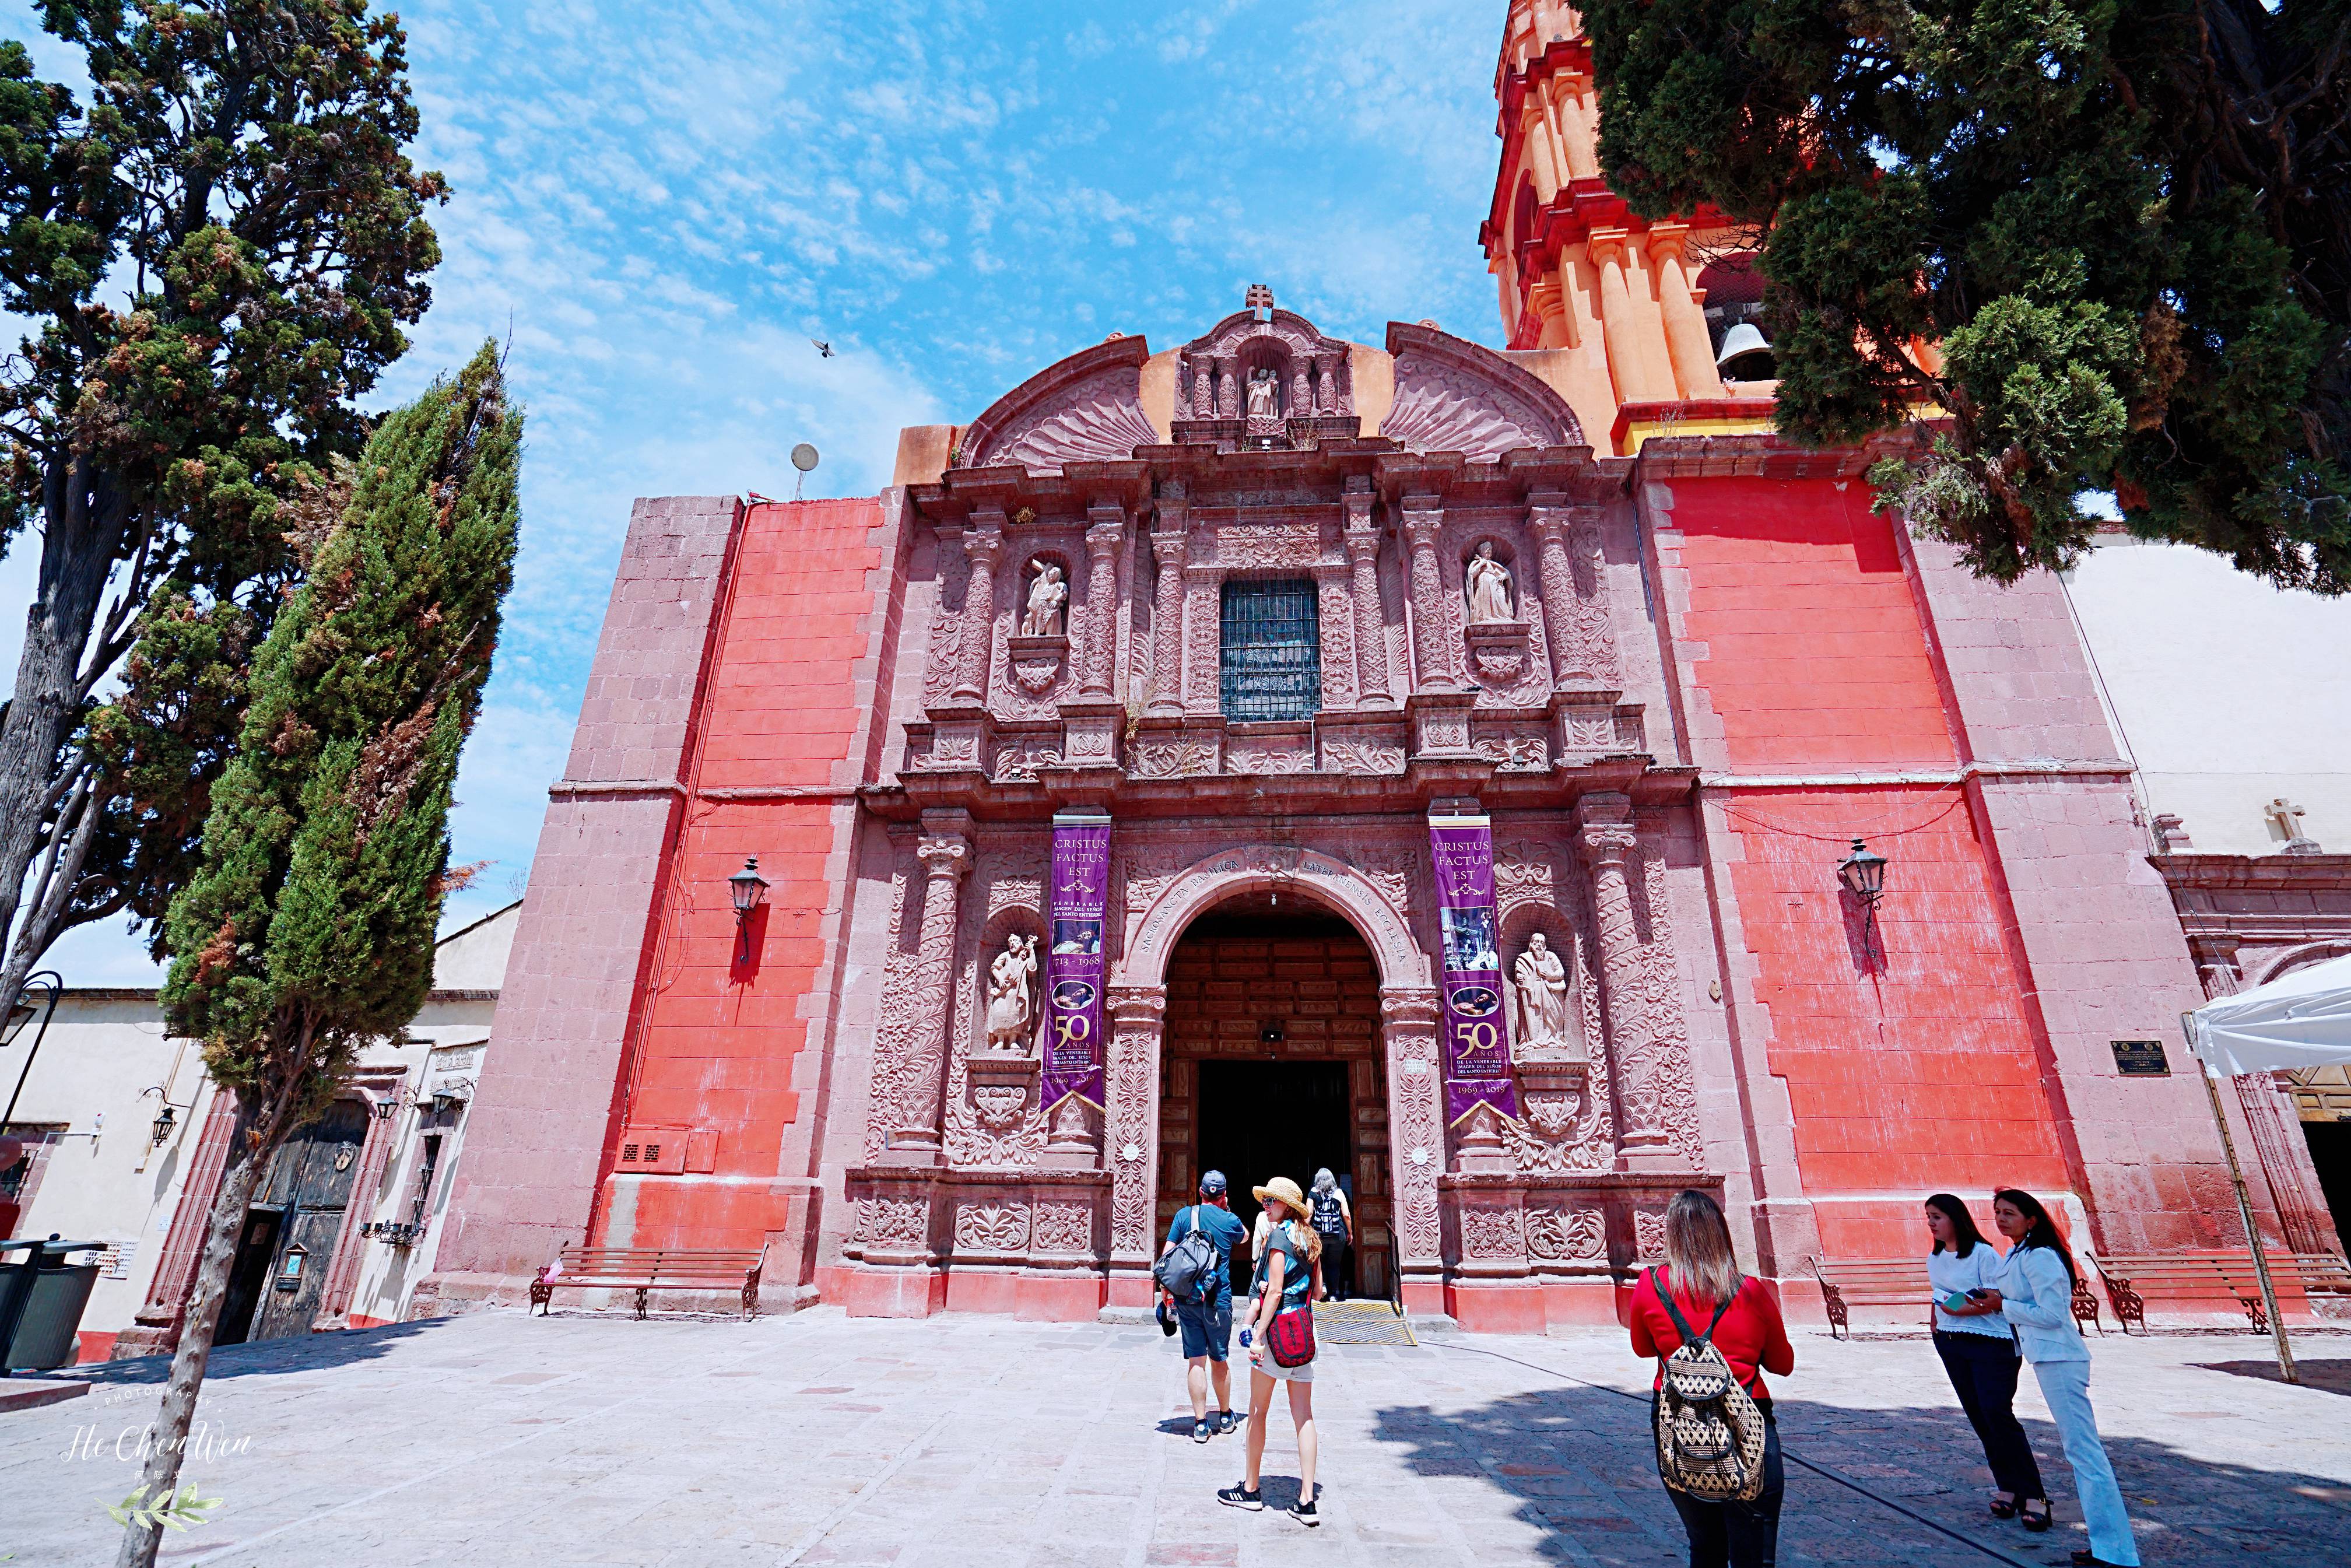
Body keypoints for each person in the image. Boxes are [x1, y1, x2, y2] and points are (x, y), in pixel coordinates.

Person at [1627, 1190, 1794, 1568]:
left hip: (1678, 1426)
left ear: (1671, 1233)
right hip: (1748, 1423)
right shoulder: (1750, 1290)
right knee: (1755, 1552)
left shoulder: (1651, 1285)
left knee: (1705, 1545)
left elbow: (1641, 1347)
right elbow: (1783, 1364)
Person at [1974, 1190, 2140, 1568]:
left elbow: (2051, 1313)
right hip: (2045, 1357)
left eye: (2010, 1213)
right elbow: (2019, 1302)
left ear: (2031, 1219)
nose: (2001, 1218)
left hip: (2061, 1357)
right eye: (1997, 1212)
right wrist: (1994, 1300)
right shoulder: (2019, 1253)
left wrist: (2002, 1303)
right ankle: (2106, 1547)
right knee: (2080, 1451)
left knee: (2085, 1453)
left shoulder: (2042, 1256)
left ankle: (2117, 1553)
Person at [1922, 1193, 2045, 1525]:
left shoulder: (1983, 1254)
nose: (1931, 1223)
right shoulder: (1935, 1257)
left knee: (1998, 1414)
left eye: (1937, 1217)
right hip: (1952, 1344)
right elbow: (1937, 1297)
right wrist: (1938, 1325)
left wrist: (1963, 1308)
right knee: (1979, 1417)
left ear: (1955, 1218)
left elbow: (1998, 1298)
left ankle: (2035, 1495)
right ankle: (2008, 1488)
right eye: (1929, 1217)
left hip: (1992, 1344)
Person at [1219, 1176, 1323, 1526]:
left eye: (1271, 1202)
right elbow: (1320, 1292)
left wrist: (1257, 1335)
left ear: (1287, 1206)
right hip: (1304, 1334)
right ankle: (1307, 1499)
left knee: (1257, 1412)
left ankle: (1250, 1490)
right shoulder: (1312, 1240)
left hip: (1277, 1335)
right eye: (1265, 1202)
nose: (1266, 1207)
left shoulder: (1279, 1236)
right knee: (1304, 1415)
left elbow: (1274, 1293)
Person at [1159, 1171, 1251, 1443]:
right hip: (1218, 1300)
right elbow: (1245, 1237)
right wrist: (1227, 1210)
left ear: (1200, 1192)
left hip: (1187, 1300)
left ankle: (1200, 1423)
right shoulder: (1229, 1219)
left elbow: (1167, 1256)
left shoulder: (1184, 1216)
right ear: (1224, 1195)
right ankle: (1224, 1416)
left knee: (1196, 1361)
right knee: (1219, 1359)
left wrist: (1166, 1292)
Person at [1308, 1169, 1353, 1301]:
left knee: (1320, 1262)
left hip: (1318, 1234)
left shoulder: (1313, 1192)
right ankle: (1333, 1294)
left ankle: (1323, 1288)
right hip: (1337, 1234)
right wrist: (1350, 1232)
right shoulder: (1339, 1192)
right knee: (1334, 1264)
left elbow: (1309, 1214)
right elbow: (1346, 1215)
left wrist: (1302, 1231)